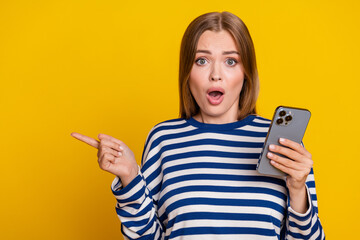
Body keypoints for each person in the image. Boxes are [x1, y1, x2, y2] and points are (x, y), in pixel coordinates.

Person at [71, 11, 325, 239]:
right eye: (202, 61)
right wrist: (129, 177)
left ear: (246, 72)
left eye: (230, 61)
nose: (216, 74)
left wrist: (297, 189)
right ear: (187, 71)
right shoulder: (164, 139)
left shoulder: (281, 144)